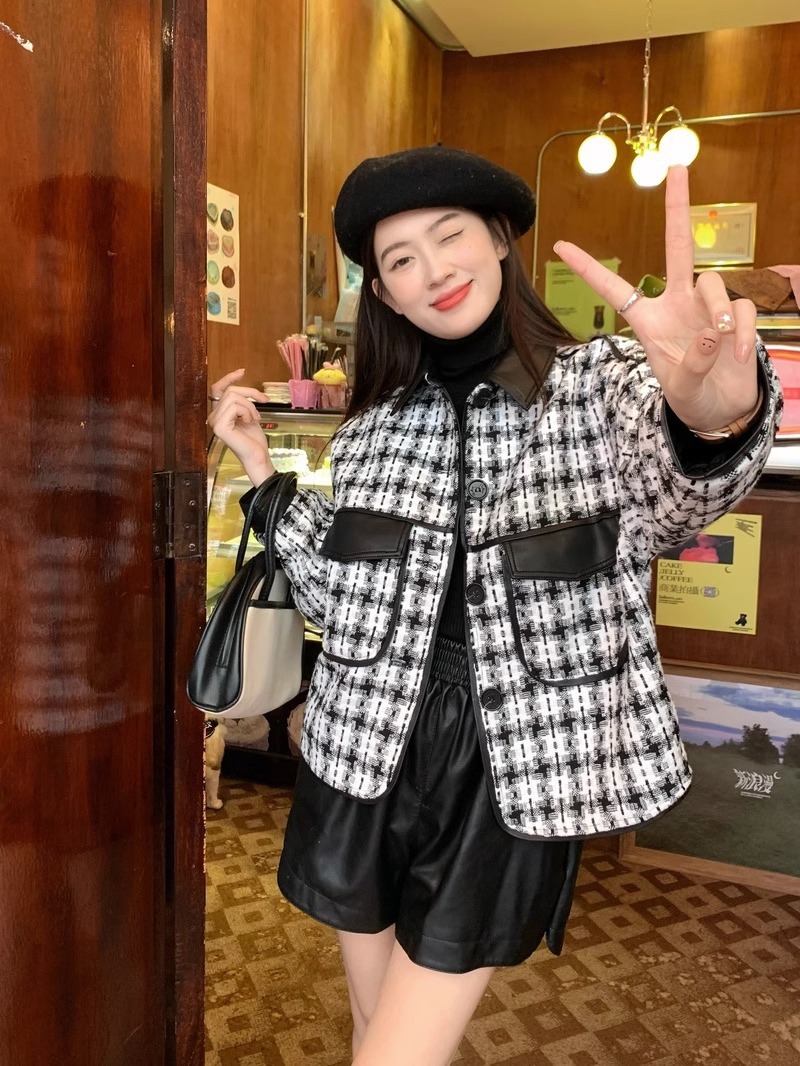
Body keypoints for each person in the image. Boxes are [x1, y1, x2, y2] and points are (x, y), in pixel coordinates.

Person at [206, 146, 781, 1066]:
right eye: (401, 259)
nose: (433, 270)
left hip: (509, 764)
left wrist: (715, 417)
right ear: (384, 295)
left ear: (500, 239)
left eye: (451, 236)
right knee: (372, 1026)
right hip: (362, 750)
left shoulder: (600, 386)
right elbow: (342, 594)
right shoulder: (373, 429)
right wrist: (261, 471)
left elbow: (676, 497)